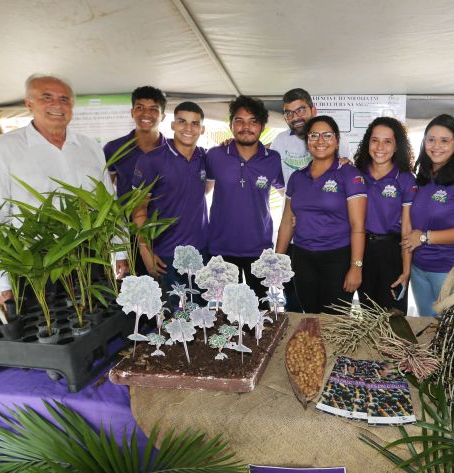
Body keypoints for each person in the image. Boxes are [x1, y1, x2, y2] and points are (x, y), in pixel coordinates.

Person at [0, 74, 127, 305]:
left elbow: (108, 203)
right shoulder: (3, 150)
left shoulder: (89, 147)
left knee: (96, 324)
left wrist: (120, 251)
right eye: (46, 97)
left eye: (65, 99)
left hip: (89, 256)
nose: (57, 105)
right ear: (29, 103)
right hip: (35, 263)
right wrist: (0, 282)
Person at [275, 115, 366, 314]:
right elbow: (286, 223)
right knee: (309, 318)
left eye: (327, 135)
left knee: (335, 324)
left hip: (337, 259)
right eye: (314, 135)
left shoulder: (349, 175)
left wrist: (356, 266)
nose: (320, 141)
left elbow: (358, 226)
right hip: (302, 259)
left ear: (337, 140)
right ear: (307, 142)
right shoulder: (298, 177)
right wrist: (277, 261)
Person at [132, 101, 212, 305]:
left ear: (202, 129)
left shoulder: (205, 157)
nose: (188, 128)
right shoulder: (151, 160)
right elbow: (138, 210)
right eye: (182, 122)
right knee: (174, 321)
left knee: (203, 316)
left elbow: (205, 190)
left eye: (195, 124)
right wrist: (145, 250)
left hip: (201, 251)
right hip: (166, 254)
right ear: (173, 125)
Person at [401, 114, 454, 317]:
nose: (436, 146)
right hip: (419, 269)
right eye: (431, 139)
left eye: (444, 140)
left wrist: (424, 237)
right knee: (426, 328)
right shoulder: (423, 177)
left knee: (451, 335)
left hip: (449, 270)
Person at [205, 96, 283, 300]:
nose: (245, 127)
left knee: (262, 312)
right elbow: (202, 191)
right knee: (226, 315)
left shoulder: (273, 159)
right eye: (239, 120)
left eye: (253, 121)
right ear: (231, 124)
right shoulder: (214, 155)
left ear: (263, 126)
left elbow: (287, 195)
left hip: (259, 248)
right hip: (221, 248)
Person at [353, 117, 416, 311]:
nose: (380, 147)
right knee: (368, 314)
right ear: (367, 143)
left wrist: (406, 270)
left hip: (392, 252)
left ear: (397, 146)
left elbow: (407, 228)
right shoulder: (355, 174)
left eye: (387, 141)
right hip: (360, 249)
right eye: (375, 140)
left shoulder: (405, 179)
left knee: (393, 316)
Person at [103, 86, 168, 198]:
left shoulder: (173, 151)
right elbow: (106, 191)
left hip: (165, 216)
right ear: (132, 112)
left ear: (163, 116)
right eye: (140, 107)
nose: (146, 113)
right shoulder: (113, 148)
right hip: (125, 215)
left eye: (153, 109)